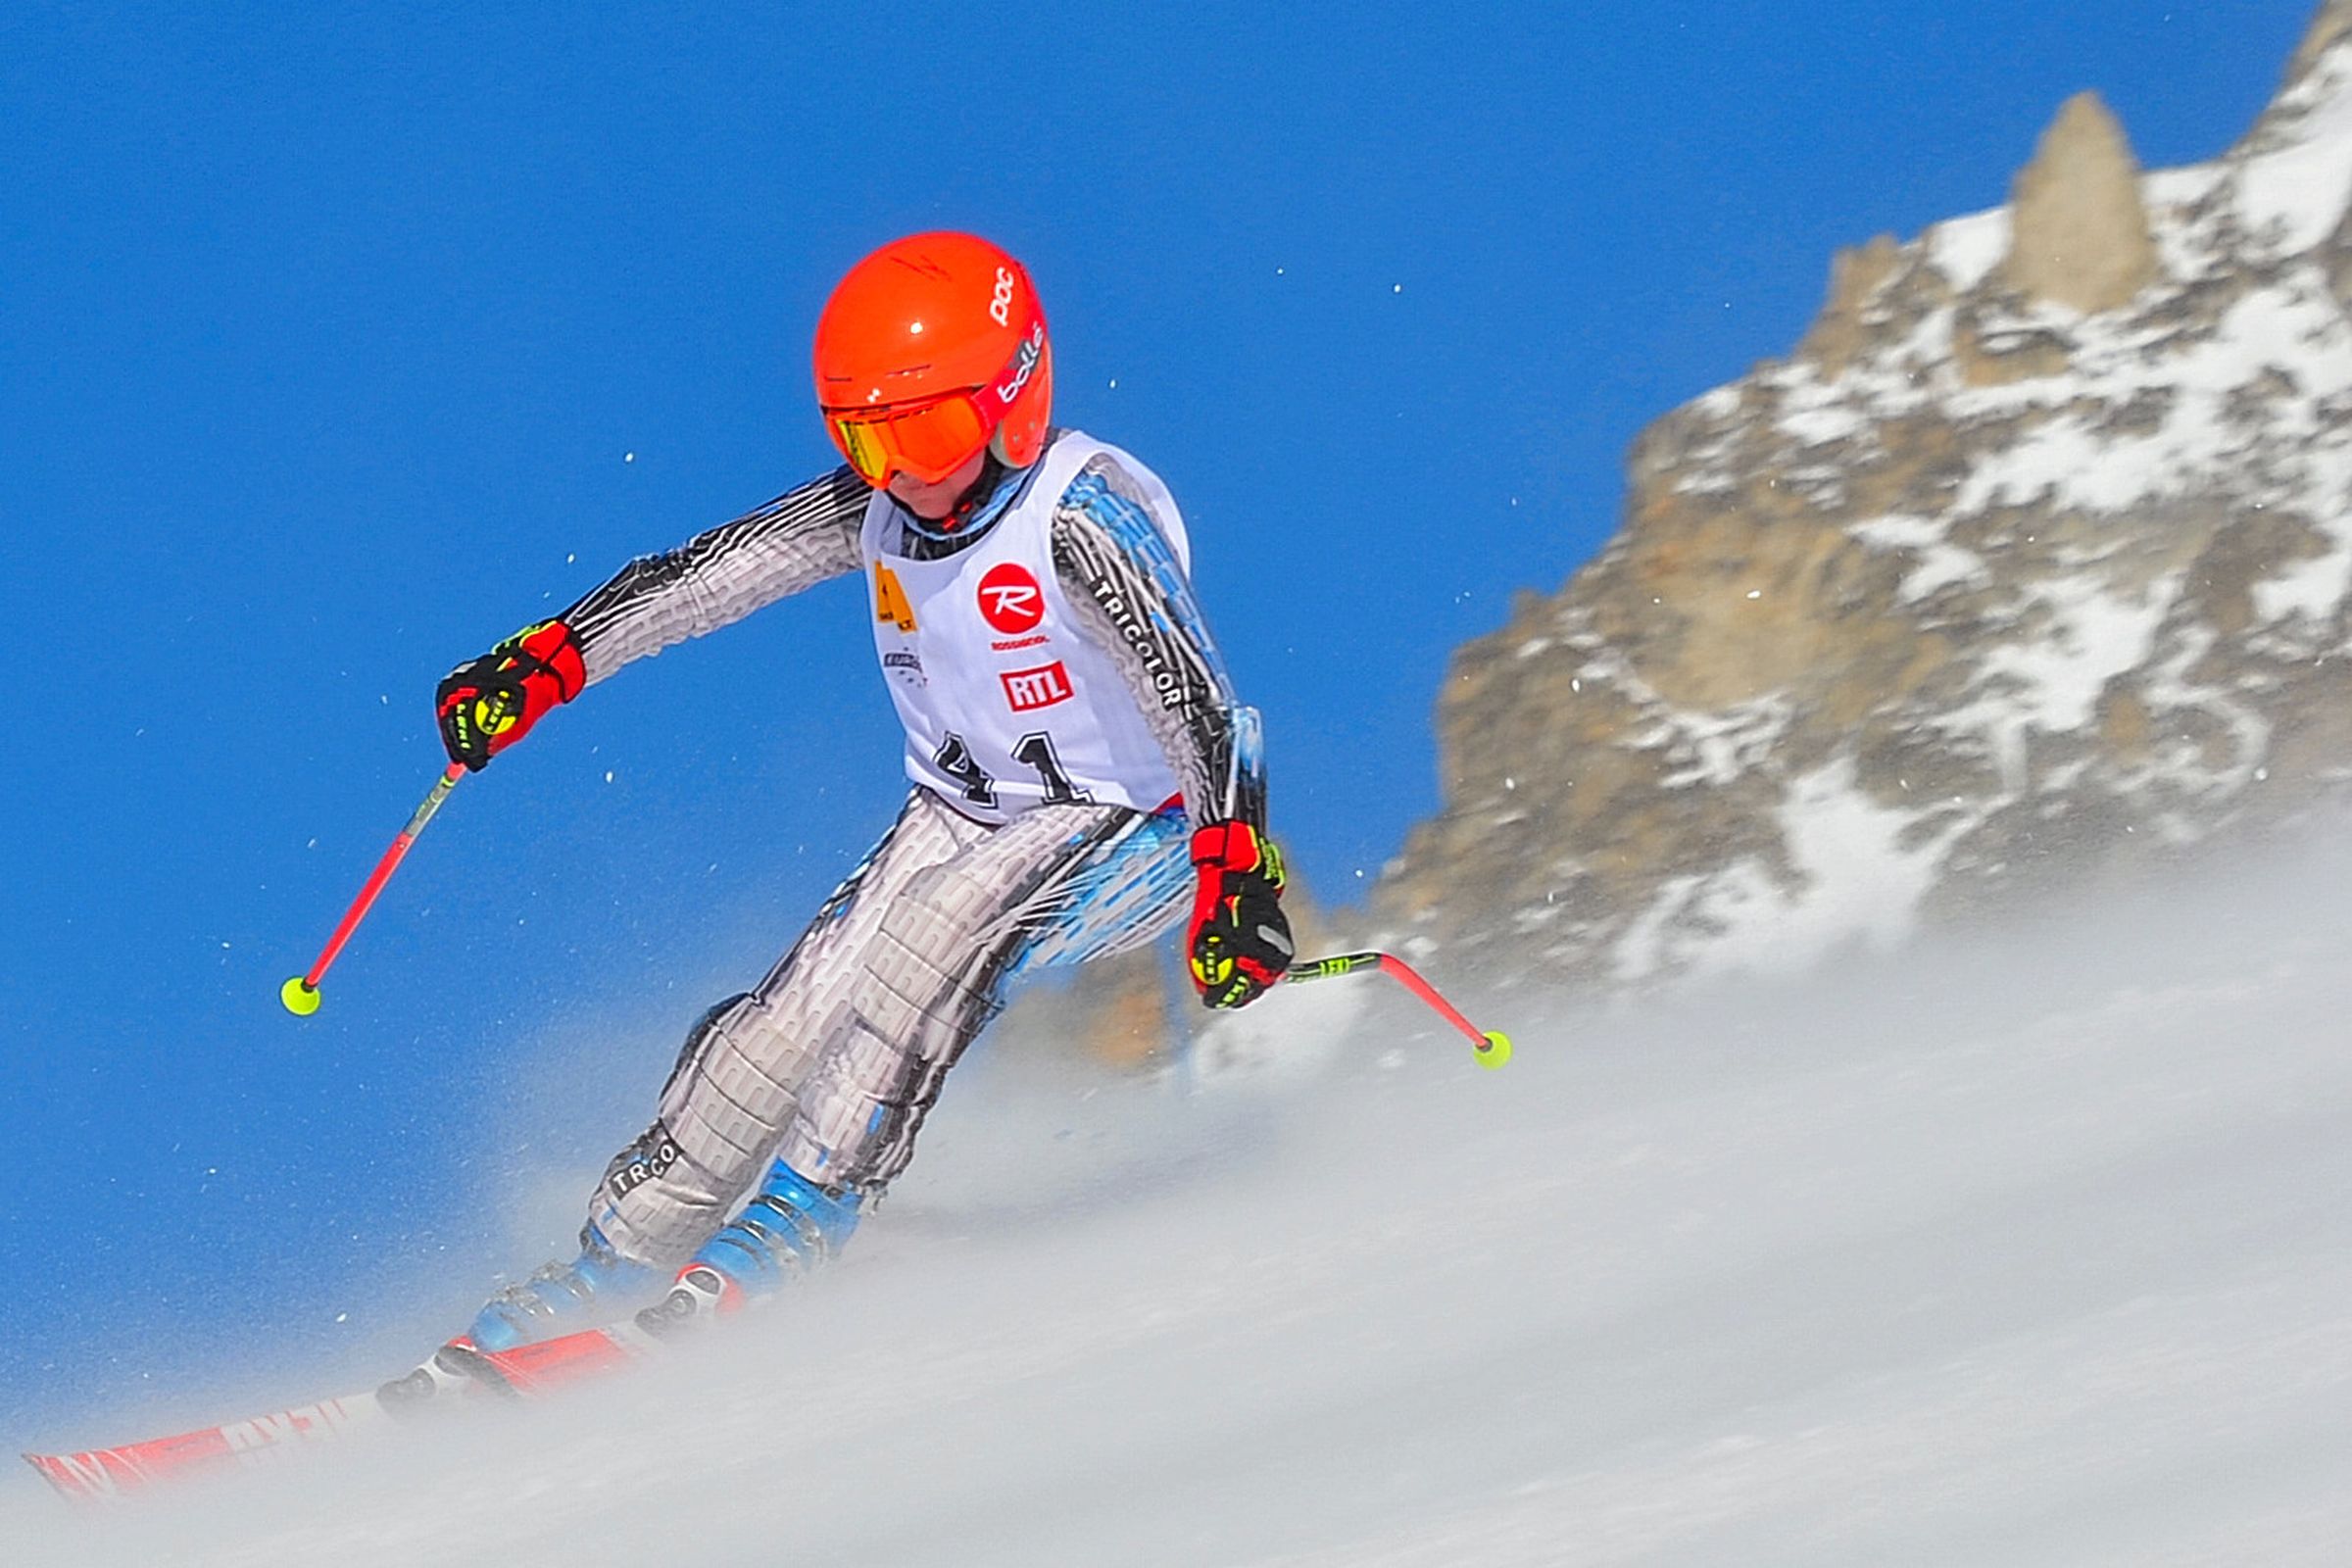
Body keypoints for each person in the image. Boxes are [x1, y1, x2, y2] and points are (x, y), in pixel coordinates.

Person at [428, 231, 1294, 1351]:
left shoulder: (1078, 515)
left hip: (1141, 824)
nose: (906, 475)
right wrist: (551, 660)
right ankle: (613, 1264)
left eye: (927, 433)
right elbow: (704, 578)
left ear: (1013, 397)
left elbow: (1198, 699)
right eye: (869, 441)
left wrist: (1234, 871)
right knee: (774, 1032)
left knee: (935, 933)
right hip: (961, 815)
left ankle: (801, 1218)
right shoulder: (879, 509)